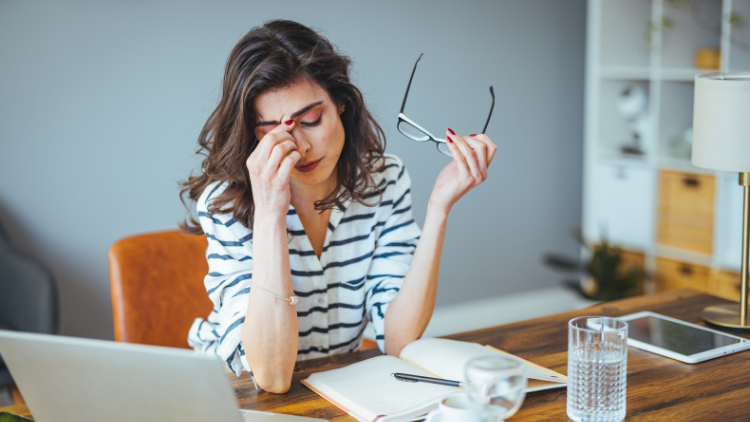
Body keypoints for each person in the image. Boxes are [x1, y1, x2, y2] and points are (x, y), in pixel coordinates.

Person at [181, 19, 497, 394]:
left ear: (341, 103)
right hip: (234, 393)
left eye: (311, 120)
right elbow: (272, 376)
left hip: (335, 388)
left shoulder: (383, 180)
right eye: (273, 133)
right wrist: (269, 214)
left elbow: (398, 342)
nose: (300, 147)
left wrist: (439, 209)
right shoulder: (225, 204)